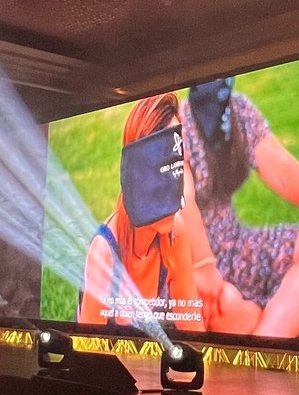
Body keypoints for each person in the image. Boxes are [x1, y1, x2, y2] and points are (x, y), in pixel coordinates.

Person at [176, 77, 299, 337]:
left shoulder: (238, 110)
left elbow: (279, 167)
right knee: (233, 312)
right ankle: (275, 335)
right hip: (190, 265)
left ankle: (282, 318)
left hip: (237, 246)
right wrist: (204, 266)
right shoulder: (177, 124)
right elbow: (182, 199)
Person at [77, 93, 205, 331]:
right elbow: (87, 351)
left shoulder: (175, 232)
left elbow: (192, 329)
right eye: (163, 169)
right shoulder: (104, 254)